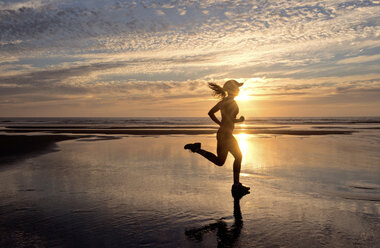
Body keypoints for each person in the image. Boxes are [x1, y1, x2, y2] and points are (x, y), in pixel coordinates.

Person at [184, 80, 250, 195]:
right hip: (226, 135)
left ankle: (197, 149)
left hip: (223, 134)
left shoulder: (223, 101)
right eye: (237, 88)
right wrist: (238, 120)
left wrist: (221, 124)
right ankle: (236, 185)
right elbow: (229, 118)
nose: (239, 90)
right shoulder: (232, 103)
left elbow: (211, 113)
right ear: (232, 89)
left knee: (222, 161)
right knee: (237, 157)